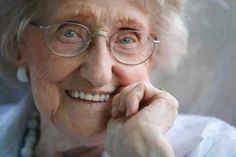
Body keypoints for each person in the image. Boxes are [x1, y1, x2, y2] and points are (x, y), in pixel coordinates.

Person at [0, 0, 236, 157]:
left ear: (151, 56)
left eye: (127, 39)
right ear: (18, 45)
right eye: (69, 32)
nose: (99, 73)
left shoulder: (213, 147)